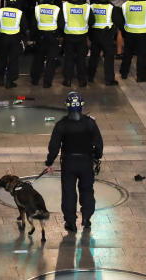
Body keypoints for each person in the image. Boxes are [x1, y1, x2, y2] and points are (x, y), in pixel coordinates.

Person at [43, 92, 104, 232]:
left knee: (69, 192)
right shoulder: (90, 123)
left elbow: (54, 146)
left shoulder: (61, 125)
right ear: (82, 106)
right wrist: (97, 156)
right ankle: (86, 218)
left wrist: (49, 162)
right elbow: (99, 143)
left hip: (69, 163)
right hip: (86, 162)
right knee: (87, 190)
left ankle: (70, 222)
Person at [120, 0, 146, 82]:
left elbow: (122, 19)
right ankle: (141, 76)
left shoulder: (126, 5)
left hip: (129, 33)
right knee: (142, 56)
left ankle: (124, 73)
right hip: (143, 34)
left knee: (127, 54)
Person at [32, 0, 62, 88]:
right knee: (51, 60)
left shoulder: (37, 8)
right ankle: (47, 82)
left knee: (38, 58)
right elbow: (61, 24)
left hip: (41, 36)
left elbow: (33, 24)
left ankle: (35, 80)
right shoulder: (57, 9)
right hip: (53, 37)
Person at [88, 0, 118, 85]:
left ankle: (90, 76)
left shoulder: (92, 6)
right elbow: (117, 21)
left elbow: (89, 21)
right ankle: (109, 79)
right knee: (109, 57)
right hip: (107, 35)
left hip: (95, 35)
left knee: (94, 57)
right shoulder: (111, 7)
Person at [61, 0, 90, 87]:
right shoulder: (86, 7)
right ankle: (82, 81)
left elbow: (61, 21)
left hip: (68, 36)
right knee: (81, 59)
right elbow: (92, 21)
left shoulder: (65, 6)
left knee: (68, 58)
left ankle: (67, 80)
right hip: (82, 37)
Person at [0, 0, 23, 89]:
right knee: (13, 60)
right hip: (15, 39)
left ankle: (0, 79)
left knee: (1, 59)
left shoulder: (0, 11)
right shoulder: (19, 13)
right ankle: (10, 81)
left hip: (3, 38)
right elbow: (24, 27)